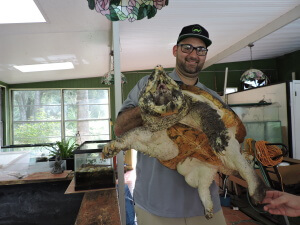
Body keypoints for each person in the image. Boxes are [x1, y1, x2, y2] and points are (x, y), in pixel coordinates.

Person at [114, 24, 227, 225]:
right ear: (175, 50)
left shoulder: (213, 98)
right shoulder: (147, 85)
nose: (194, 54)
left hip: (204, 205)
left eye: (200, 49)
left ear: (205, 55)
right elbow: (120, 129)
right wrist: (150, 105)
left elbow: (225, 148)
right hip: (156, 205)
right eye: (187, 47)